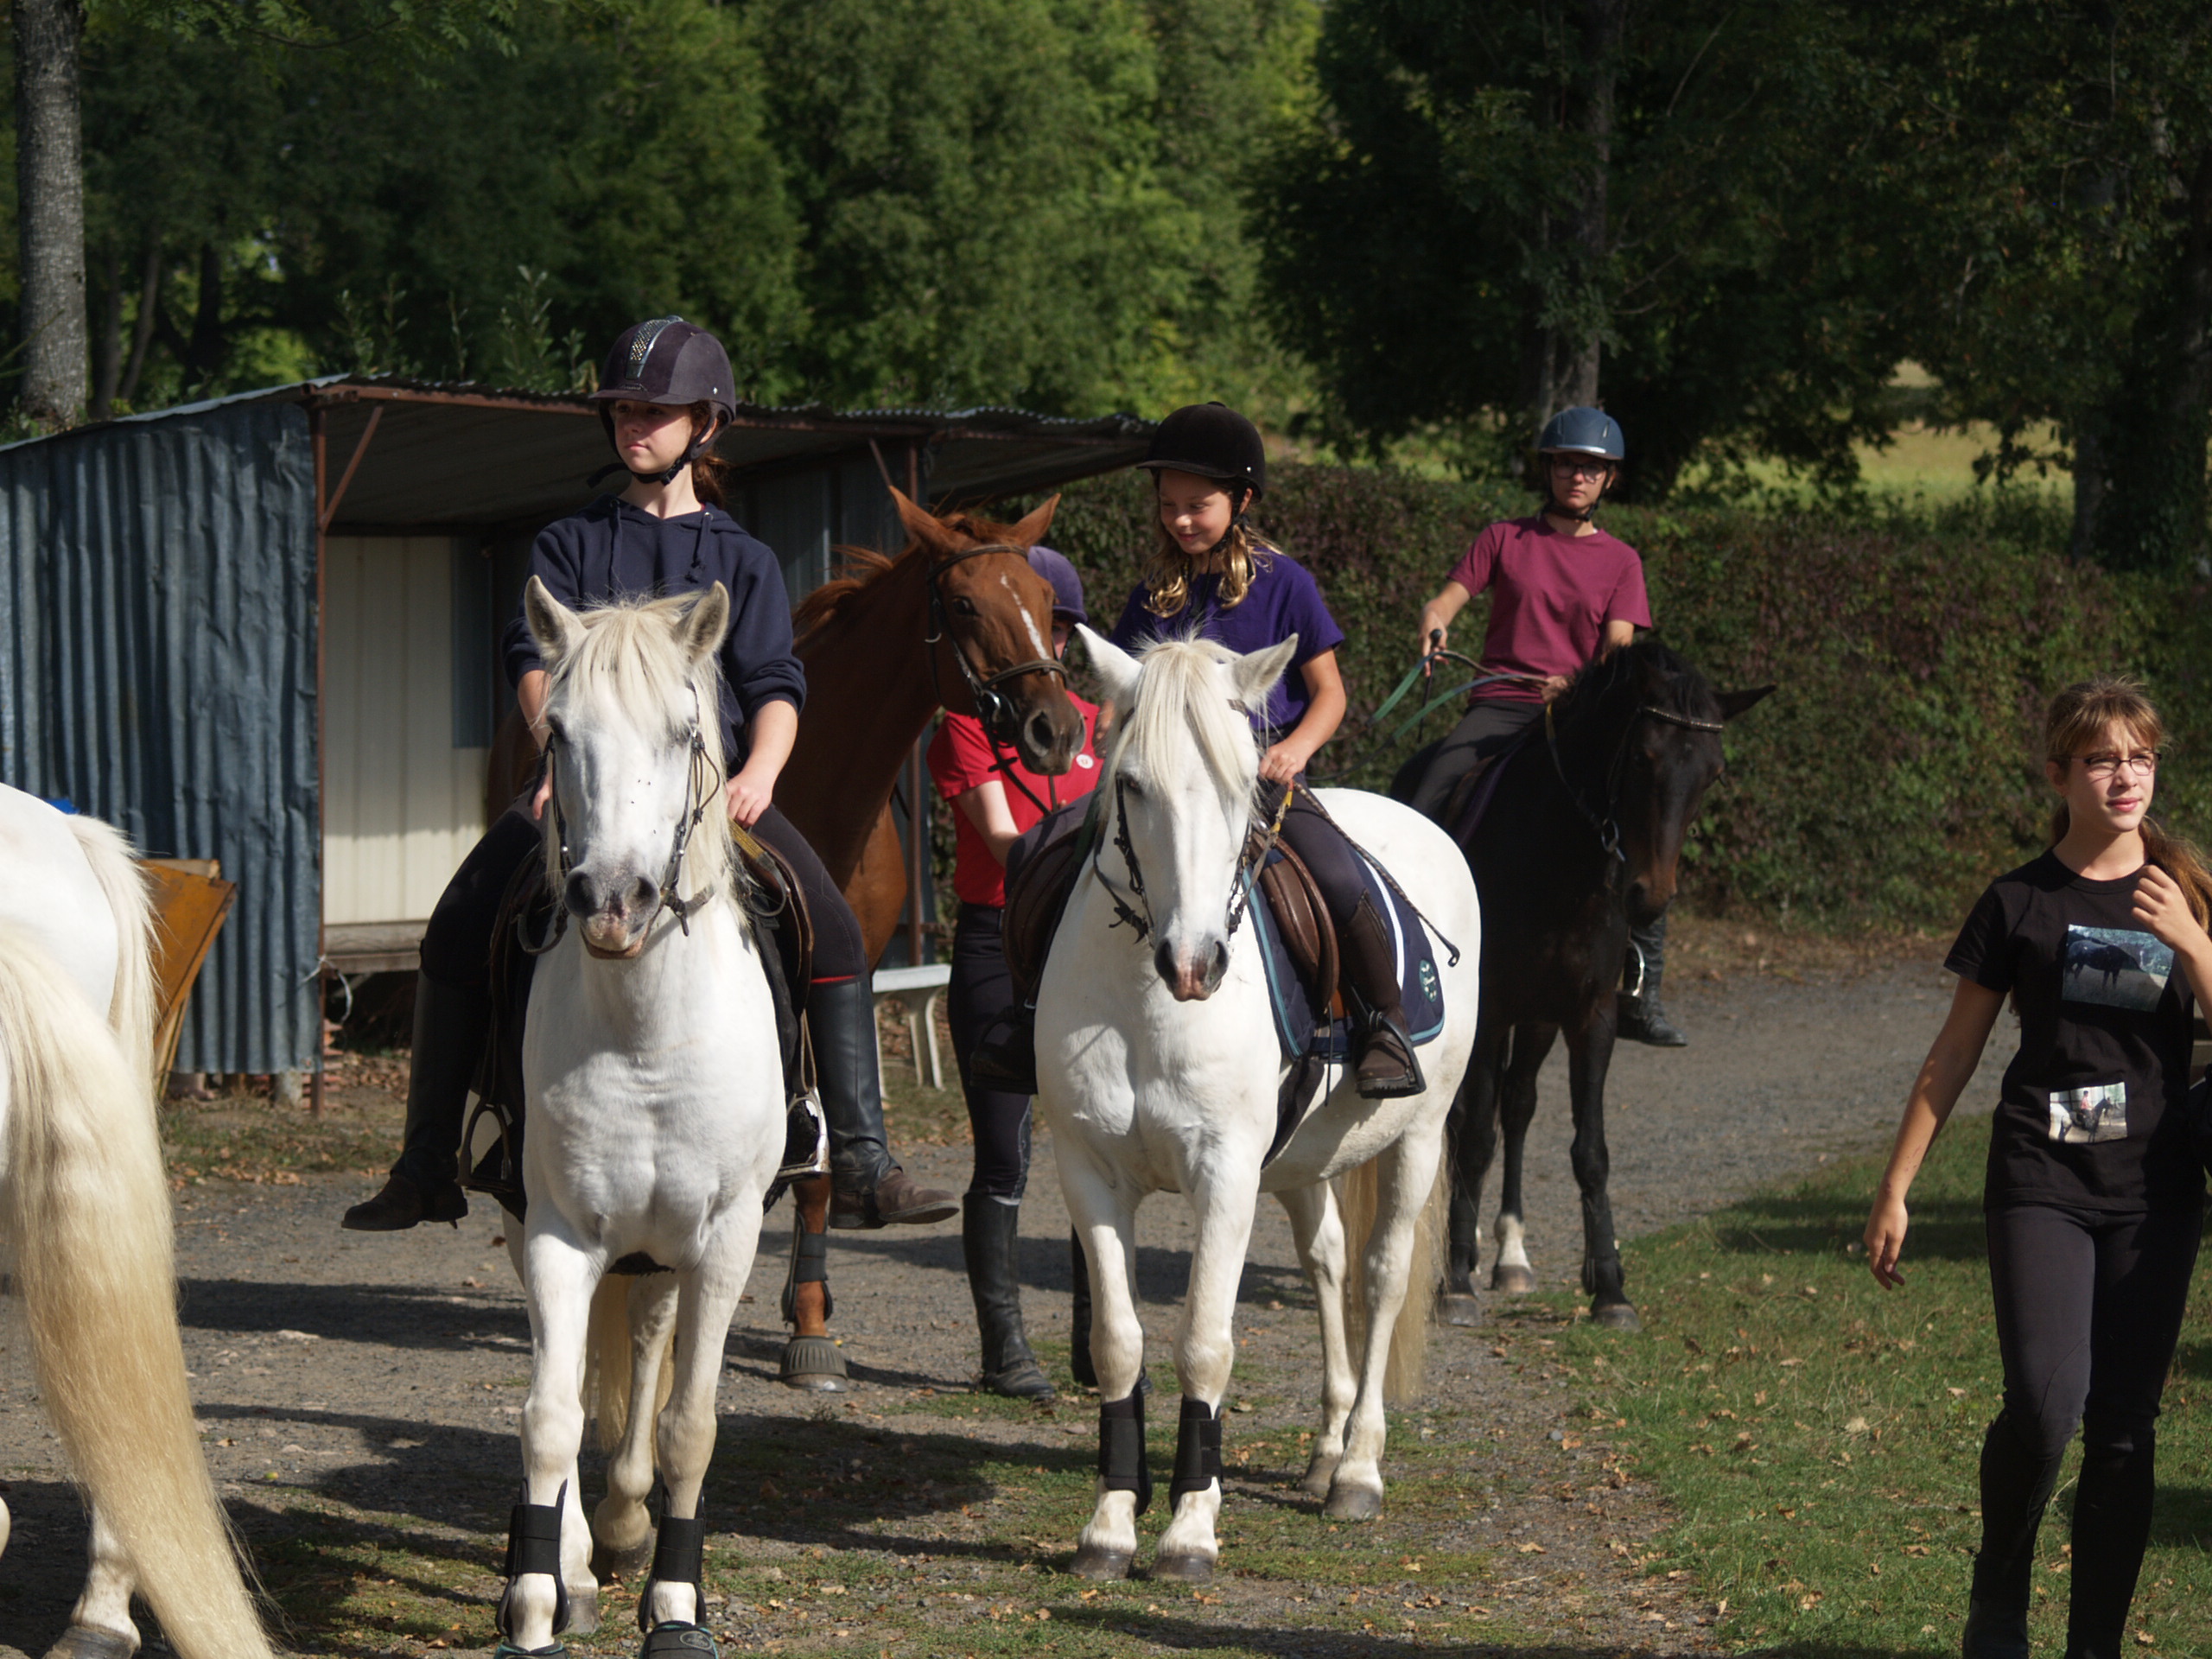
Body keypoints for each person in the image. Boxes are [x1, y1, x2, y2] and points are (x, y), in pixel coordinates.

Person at [343, 316, 955, 1236]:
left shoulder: (742, 559)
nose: (635, 425)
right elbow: (535, 666)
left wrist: (761, 773)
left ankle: (860, 1152)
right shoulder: (570, 545)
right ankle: (429, 1157)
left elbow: (775, 686)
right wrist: (558, 756)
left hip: (711, 798)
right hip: (583, 791)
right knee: (460, 919)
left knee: (828, 919)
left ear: (705, 425)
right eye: (624, 409)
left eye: (656, 412)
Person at [1862, 677, 2211, 1659]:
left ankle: (2093, 1641)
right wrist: (1896, 1184)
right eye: (2103, 758)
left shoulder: (2185, 892)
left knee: (2125, 1428)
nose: (2125, 775)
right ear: (2059, 774)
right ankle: (1998, 1589)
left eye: (2140, 757)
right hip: (2039, 1178)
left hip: (2156, 1190)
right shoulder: (2018, 899)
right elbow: (1953, 1054)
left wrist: (2191, 943)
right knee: (2048, 1404)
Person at [1106, 402, 1421, 1096]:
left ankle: (1387, 1025)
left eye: (1199, 504)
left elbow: (1330, 692)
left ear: (1242, 499)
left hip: (1262, 779)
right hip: (1166, 785)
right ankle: (1030, 1011)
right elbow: (1125, 697)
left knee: (1338, 878)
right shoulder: (1151, 597)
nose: (1181, 519)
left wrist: (1297, 749)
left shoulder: (1287, 583)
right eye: (1169, 505)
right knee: (1069, 861)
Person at [1408, 407, 1681, 1045]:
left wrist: (1580, 685)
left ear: (1608, 479)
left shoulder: (1621, 561)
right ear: (1549, 470)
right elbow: (1447, 598)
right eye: (1565, 463)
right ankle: (1403, 946)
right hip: (1500, 702)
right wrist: (1435, 619)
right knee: (1429, 792)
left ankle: (1641, 985)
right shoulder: (1504, 538)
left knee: (1641, 827)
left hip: (1576, 719)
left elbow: (1616, 650)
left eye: (1590, 466)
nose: (1576, 475)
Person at [926, 548, 1103, 1400]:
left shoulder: (1096, 726)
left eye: (1059, 626)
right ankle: (1004, 1351)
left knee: (1093, 1147)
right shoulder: (963, 726)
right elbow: (1003, 840)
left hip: (1088, 947)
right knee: (1003, 1158)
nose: (1049, 642)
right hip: (1000, 939)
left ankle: (1092, 1340)